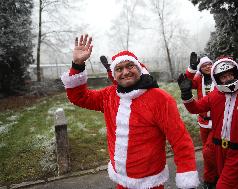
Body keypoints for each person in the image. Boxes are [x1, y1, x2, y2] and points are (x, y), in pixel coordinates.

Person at [61, 34, 200, 189]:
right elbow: (79, 97)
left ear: (139, 68)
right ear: (114, 75)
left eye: (130, 66)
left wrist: (187, 177)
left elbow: (180, 140)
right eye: (119, 69)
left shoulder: (160, 99)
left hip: (150, 183)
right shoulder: (109, 95)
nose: (125, 72)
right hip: (121, 181)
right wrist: (78, 64)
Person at [178, 57, 238, 189]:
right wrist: (186, 94)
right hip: (218, 148)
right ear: (217, 79)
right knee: (228, 180)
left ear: (236, 73)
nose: (228, 79)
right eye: (223, 77)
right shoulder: (214, 96)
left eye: (230, 75)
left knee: (224, 185)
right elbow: (195, 108)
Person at [185, 53, 218, 188]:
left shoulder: (219, 77)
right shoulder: (199, 79)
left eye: (210, 64)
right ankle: (213, 176)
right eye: (204, 65)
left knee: (209, 152)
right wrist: (192, 67)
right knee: (208, 151)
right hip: (203, 122)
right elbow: (187, 82)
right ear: (200, 68)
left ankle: (212, 178)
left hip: (218, 122)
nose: (208, 67)